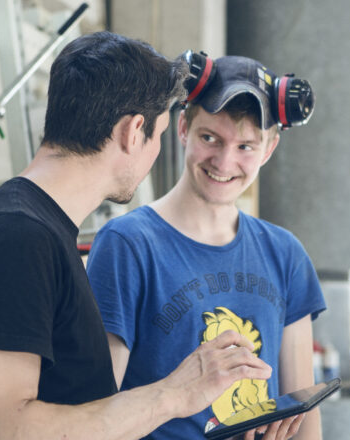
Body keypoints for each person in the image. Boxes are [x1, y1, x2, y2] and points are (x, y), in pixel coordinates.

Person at [0, 32, 273, 440]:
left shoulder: (41, 234)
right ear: (133, 131)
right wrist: (173, 395)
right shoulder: (15, 238)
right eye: (161, 133)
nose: (156, 149)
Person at [85, 52, 326, 440]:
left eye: (246, 146)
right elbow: (94, 413)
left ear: (269, 149)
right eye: (210, 138)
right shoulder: (127, 245)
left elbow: (303, 420)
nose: (225, 161)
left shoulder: (286, 255)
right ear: (183, 128)